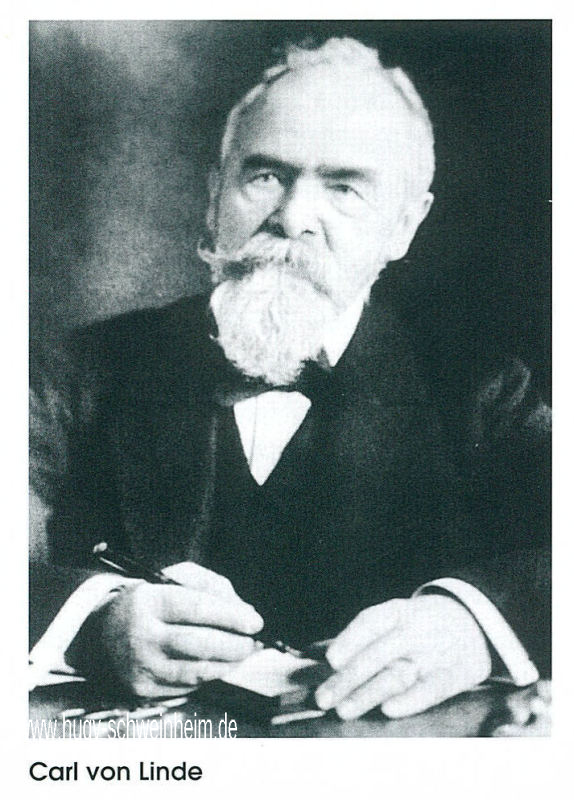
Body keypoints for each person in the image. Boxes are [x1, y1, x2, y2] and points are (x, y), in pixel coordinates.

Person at [29, 37, 550, 722]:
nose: (294, 217)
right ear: (215, 195)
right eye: (266, 176)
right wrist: (91, 624)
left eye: (344, 188)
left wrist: (474, 624)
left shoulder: (483, 389)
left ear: (404, 226)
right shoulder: (78, 369)